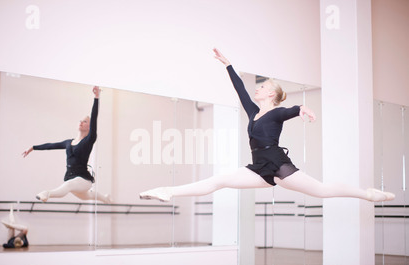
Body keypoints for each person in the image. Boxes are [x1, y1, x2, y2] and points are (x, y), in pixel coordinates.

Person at [139, 48, 395, 203]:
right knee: (219, 180)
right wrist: (228, 65)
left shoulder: (276, 113)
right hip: (259, 167)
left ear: (272, 94)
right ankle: (168, 191)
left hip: (276, 164)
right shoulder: (253, 112)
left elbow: (290, 110)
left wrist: (302, 109)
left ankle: (370, 194)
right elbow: (240, 89)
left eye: (263, 87)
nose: (258, 89)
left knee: (323, 191)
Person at [22, 86, 111, 203]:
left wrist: (96, 98)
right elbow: (51, 146)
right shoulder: (68, 142)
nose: (81, 122)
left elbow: (94, 117)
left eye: (85, 121)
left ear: (89, 127)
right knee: (87, 196)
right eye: (80, 120)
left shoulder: (89, 139)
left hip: (83, 179)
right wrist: (33, 147)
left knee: (68, 186)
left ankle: (46, 193)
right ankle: (106, 199)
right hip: (71, 177)